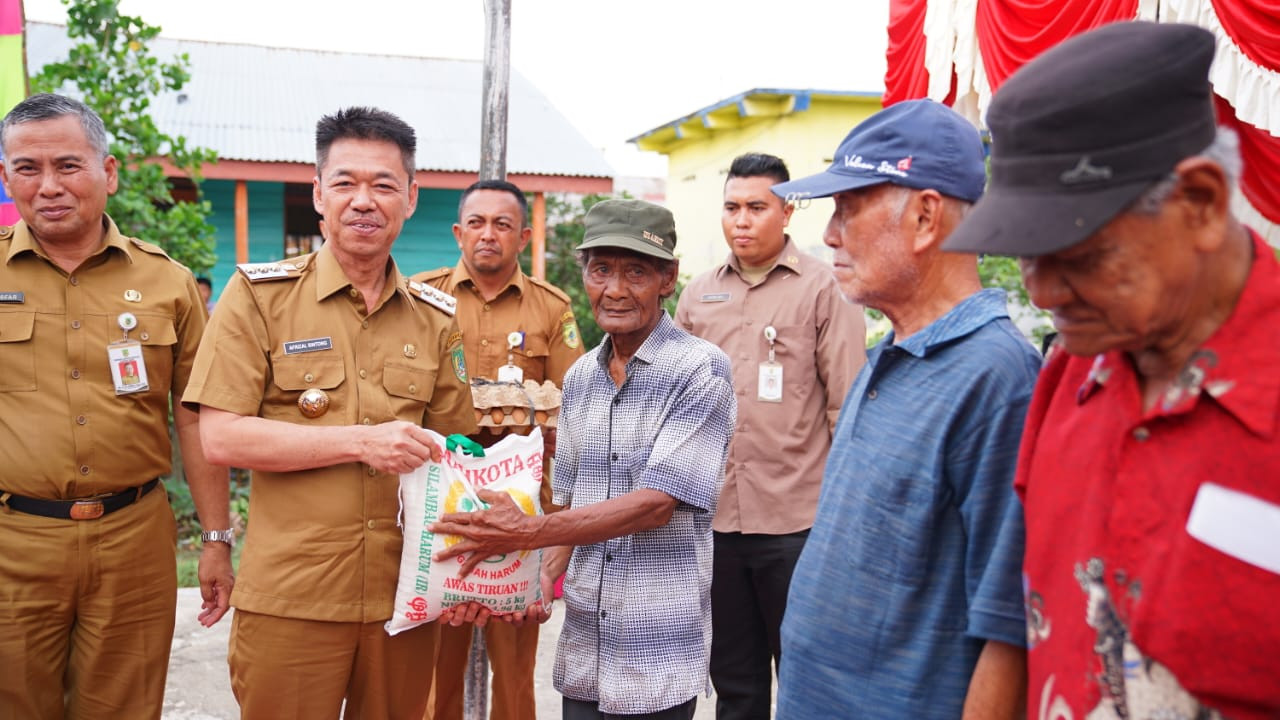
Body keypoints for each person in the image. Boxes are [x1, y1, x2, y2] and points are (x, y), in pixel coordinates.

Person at [944, 21, 1280, 720]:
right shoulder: (1070, 371)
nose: (1040, 294)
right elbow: (1019, 622)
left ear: (1201, 204)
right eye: (1025, 254)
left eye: (1079, 255)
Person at [181, 106, 476, 719]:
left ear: (412, 198)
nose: (363, 201)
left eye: (384, 185)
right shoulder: (258, 298)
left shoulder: (437, 317)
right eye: (345, 183)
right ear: (318, 194)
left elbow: (459, 453)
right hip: (293, 599)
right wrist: (362, 442)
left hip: (405, 599)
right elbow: (222, 437)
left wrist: (486, 561)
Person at [769, 99, 1041, 719]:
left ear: (924, 217)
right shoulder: (889, 352)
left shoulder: (997, 379)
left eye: (849, 208)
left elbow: (1011, 632)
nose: (829, 234)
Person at [431, 198, 736, 720]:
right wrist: (528, 588)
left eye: (635, 272)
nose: (614, 290)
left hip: (654, 654)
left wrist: (524, 533)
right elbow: (568, 508)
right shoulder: (579, 381)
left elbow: (655, 505)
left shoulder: (700, 371)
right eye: (601, 270)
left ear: (668, 278)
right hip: (584, 655)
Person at [0, 93, 232, 719]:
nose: (48, 185)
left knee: (125, 709)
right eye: (27, 168)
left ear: (108, 171)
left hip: (134, 540)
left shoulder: (168, 282)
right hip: (11, 544)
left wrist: (216, 538)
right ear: (6, 177)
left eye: (68, 165)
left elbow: (196, 416)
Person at [673, 152, 864, 718]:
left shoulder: (825, 290)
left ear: (787, 211)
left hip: (798, 524)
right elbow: (672, 403)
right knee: (734, 683)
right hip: (713, 523)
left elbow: (846, 405)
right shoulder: (697, 295)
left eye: (757, 207)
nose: (742, 220)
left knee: (806, 677)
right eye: (732, 207)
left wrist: (843, 519)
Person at [413, 179, 584, 720]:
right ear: (459, 232)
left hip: (522, 510)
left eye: (503, 224)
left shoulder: (551, 310)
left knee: (514, 675)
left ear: (524, 235)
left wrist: (560, 520)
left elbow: (571, 417)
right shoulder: (422, 296)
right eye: (478, 223)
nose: (489, 235)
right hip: (439, 504)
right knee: (434, 669)